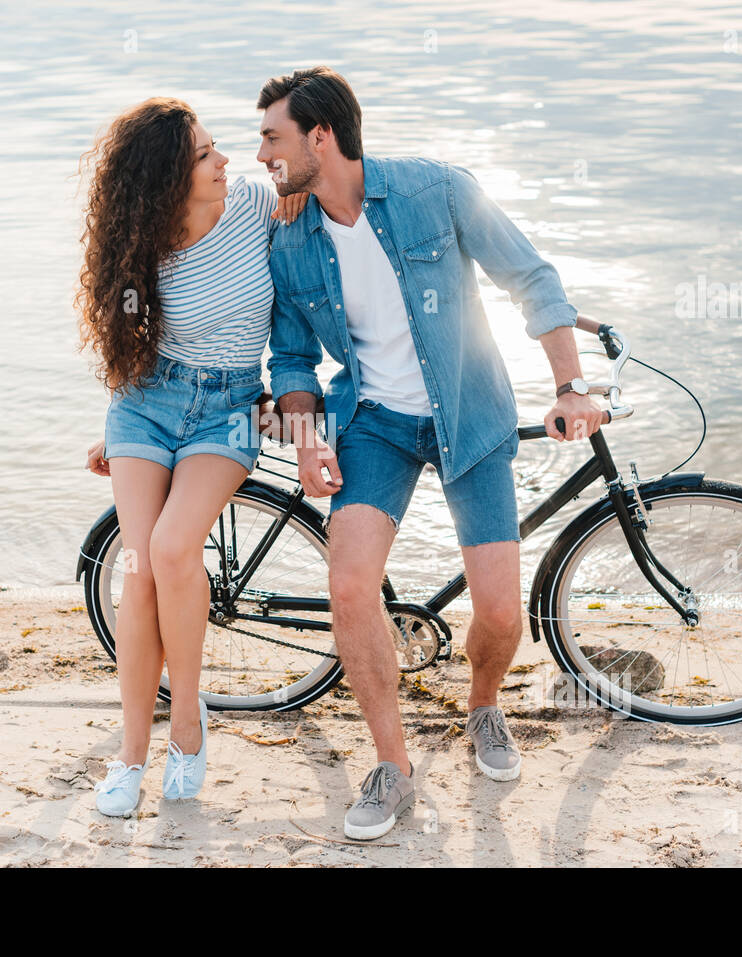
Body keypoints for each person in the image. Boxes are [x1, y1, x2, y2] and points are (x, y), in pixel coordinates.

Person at [257, 66, 606, 840]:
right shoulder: (289, 236)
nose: (261, 154)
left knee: (500, 614)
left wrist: (570, 385)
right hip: (374, 422)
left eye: (272, 136)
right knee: (349, 585)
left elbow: (532, 277)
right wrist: (310, 439)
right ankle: (393, 765)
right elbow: (289, 359)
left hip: (469, 414)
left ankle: (484, 704)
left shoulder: (437, 190)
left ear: (321, 136)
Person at [76, 97, 305, 817]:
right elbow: (130, 352)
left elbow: (329, 209)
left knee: (174, 548)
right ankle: (130, 754)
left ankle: (187, 724)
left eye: (215, 147)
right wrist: (113, 433)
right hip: (147, 405)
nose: (225, 161)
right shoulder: (138, 245)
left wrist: (302, 402)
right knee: (140, 571)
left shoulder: (257, 206)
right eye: (205, 156)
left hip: (232, 408)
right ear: (165, 180)